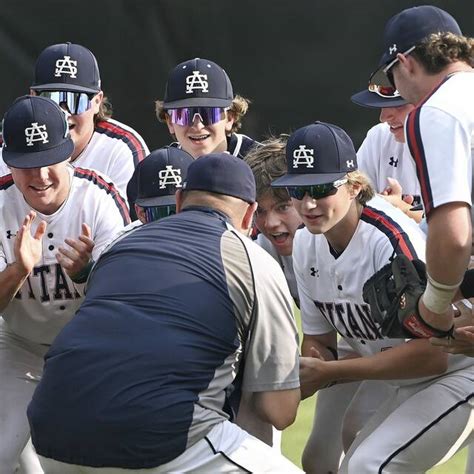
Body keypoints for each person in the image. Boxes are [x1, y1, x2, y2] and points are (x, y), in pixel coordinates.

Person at [27, 153, 302, 473]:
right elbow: (279, 410)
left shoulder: (118, 246)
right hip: (157, 441)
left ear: (180, 199)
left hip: (51, 436)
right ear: (250, 214)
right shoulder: (251, 258)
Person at [272, 121, 474, 472]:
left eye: (321, 188)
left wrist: (330, 371)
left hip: (459, 369)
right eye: (297, 190)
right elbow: (321, 339)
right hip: (406, 375)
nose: (308, 203)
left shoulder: (389, 240)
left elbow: (431, 355)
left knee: (370, 465)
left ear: (353, 186)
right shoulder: (305, 243)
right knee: (341, 457)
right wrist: (306, 369)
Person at [0, 95, 129, 471]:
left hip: (88, 348)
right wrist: (18, 269)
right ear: (9, 161)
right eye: (27, 164)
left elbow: (124, 303)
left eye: (48, 161)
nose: (39, 177)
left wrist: (88, 274)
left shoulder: (100, 198)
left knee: (83, 461)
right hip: (20, 343)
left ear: (68, 153)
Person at [369, 5, 474, 339]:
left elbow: (455, 235)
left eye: (390, 77)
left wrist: (434, 306)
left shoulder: (437, 110)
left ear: (405, 63)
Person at [0, 42, 150, 209]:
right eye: (52, 99)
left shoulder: (123, 149)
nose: (64, 112)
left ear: (97, 102)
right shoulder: (10, 144)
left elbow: (137, 226)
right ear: (33, 96)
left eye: (76, 101)